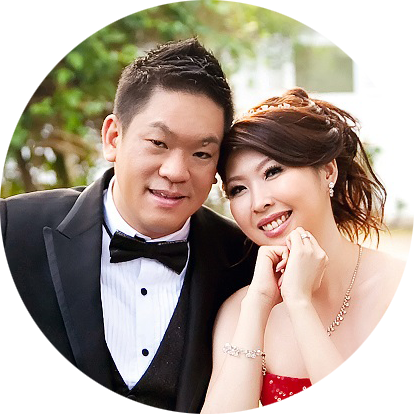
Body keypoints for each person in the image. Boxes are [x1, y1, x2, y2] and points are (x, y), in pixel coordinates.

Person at [0, 38, 256, 414]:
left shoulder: (243, 257)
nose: (176, 171)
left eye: (202, 153)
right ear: (113, 138)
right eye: (158, 143)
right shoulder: (15, 228)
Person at [201, 87, 414, 414]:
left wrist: (300, 304)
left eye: (273, 172)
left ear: (327, 171)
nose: (258, 202)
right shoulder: (241, 309)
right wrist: (258, 304)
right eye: (238, 189)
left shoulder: (402, 290)